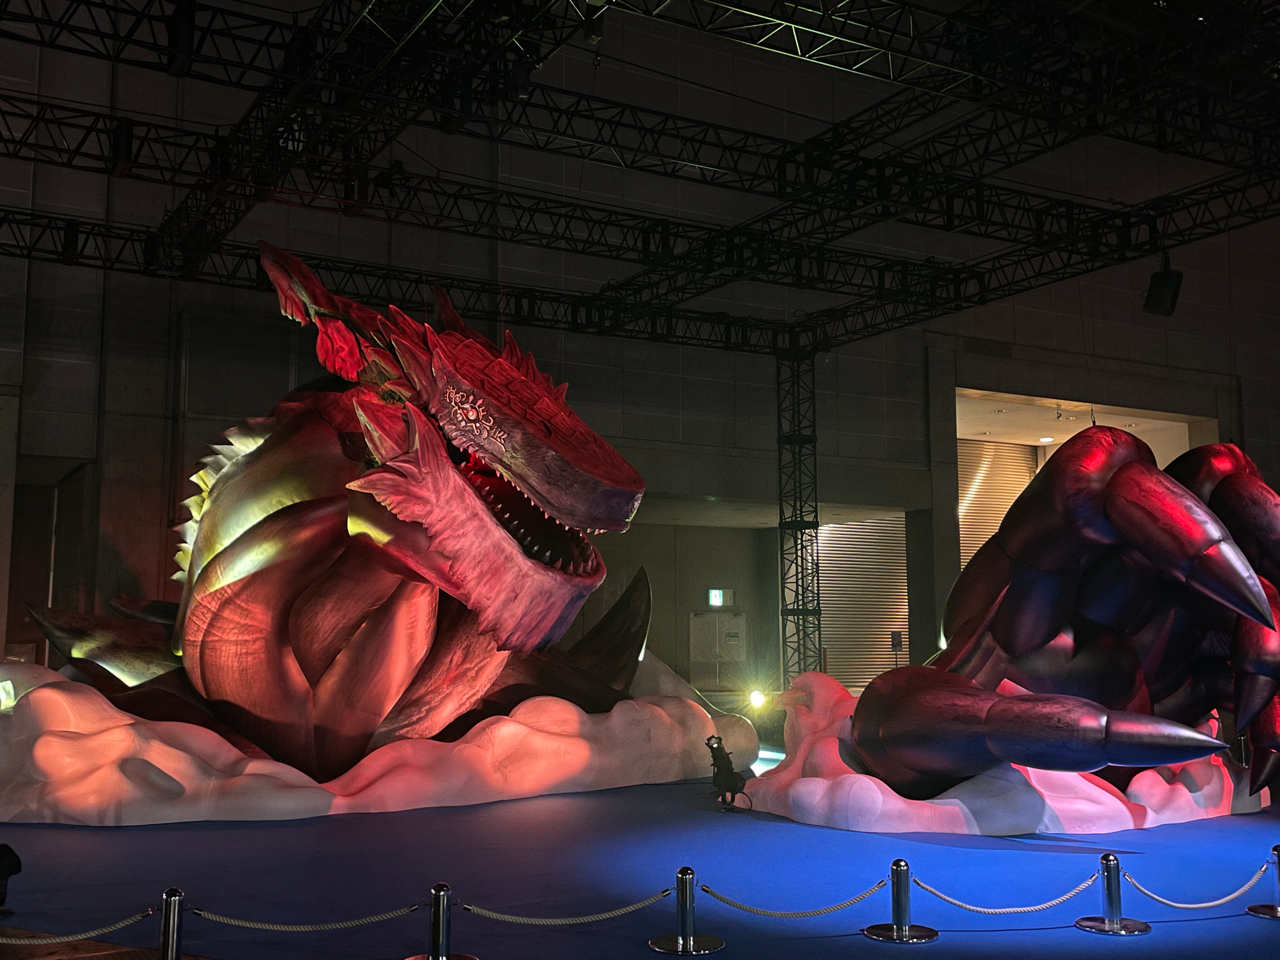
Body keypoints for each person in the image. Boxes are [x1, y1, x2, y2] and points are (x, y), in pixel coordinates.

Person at [705, 735, 749, 811]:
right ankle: (727, 801)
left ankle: (728, 802)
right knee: (723, 783)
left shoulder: (718, 748)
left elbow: (718, 754)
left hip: (725, 769)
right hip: (723, 769)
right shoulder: (716, 748)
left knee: (724, 784)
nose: (712, 742)